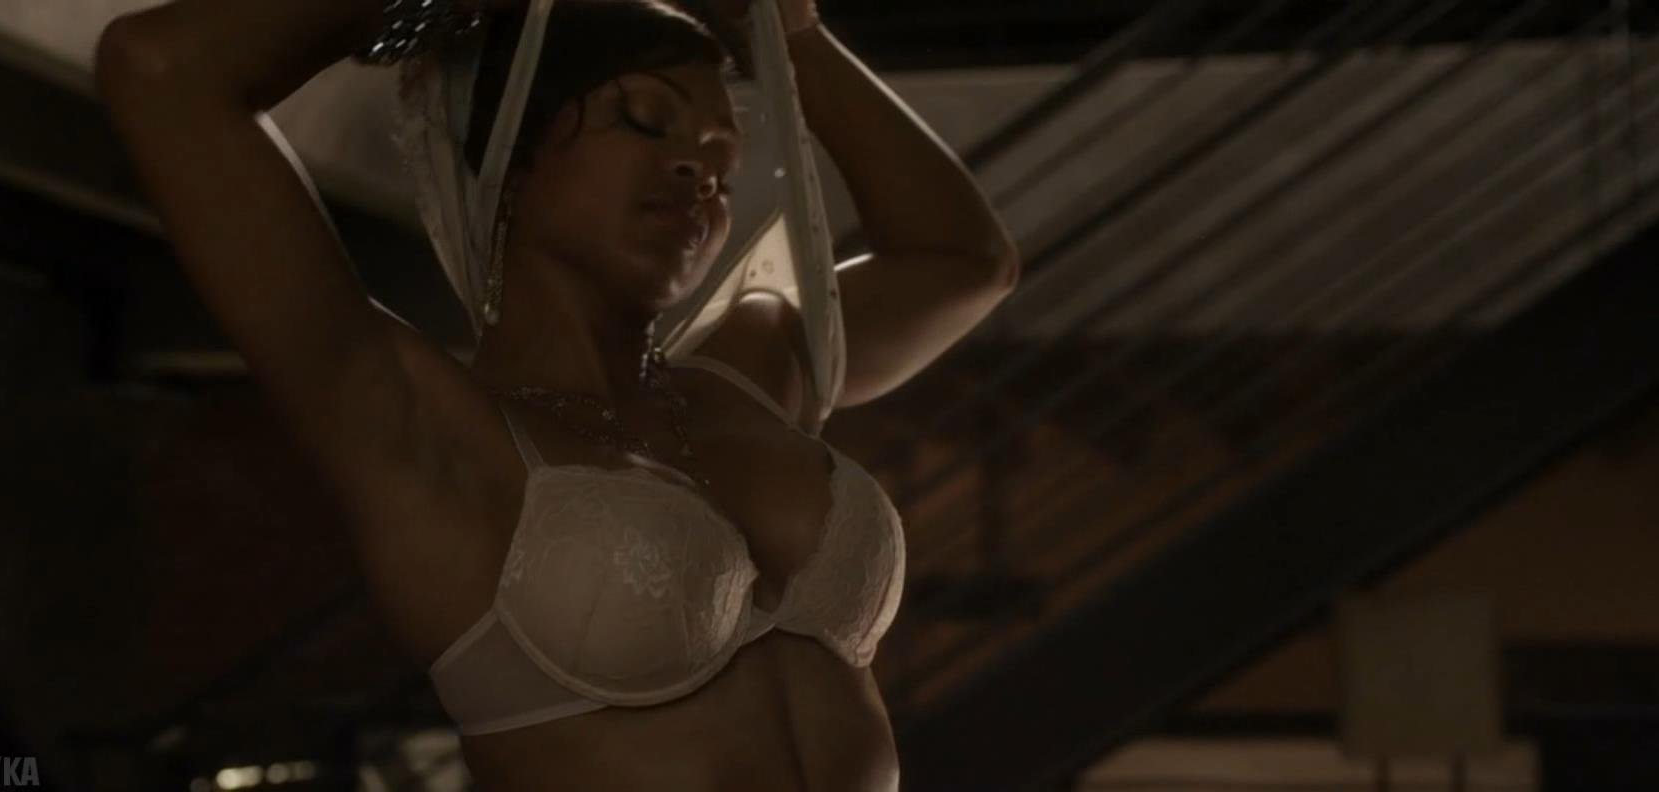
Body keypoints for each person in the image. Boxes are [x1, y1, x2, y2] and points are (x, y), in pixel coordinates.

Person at [93, 0, 1019, 788]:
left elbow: (965, 263)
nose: (698, 172)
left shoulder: (756, 368)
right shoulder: (424, 428)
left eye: (721, 160)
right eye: (646, 121)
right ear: (512, 161)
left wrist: (789, 34)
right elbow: (162, 68)